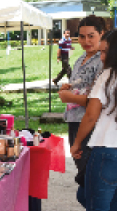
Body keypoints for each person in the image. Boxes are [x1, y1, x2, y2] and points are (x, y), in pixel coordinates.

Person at [71, 29, 117, 211]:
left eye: (105, 51)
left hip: (106, 150)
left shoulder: (107, 75)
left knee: (93, 202)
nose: (102, 56)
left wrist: (77, 143)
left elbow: (91, 115)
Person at [58, 15, 106, 185]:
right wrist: (68, 88)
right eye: (82, 36)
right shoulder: (79, 59)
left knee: (90, 178)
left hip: (91, 124)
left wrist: (71, 97)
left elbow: (100, 101)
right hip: (74, 120)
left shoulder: (103, 60)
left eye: (91, 36)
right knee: (83, 172)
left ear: (102, 34)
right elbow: (79, 85)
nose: (86, 41)